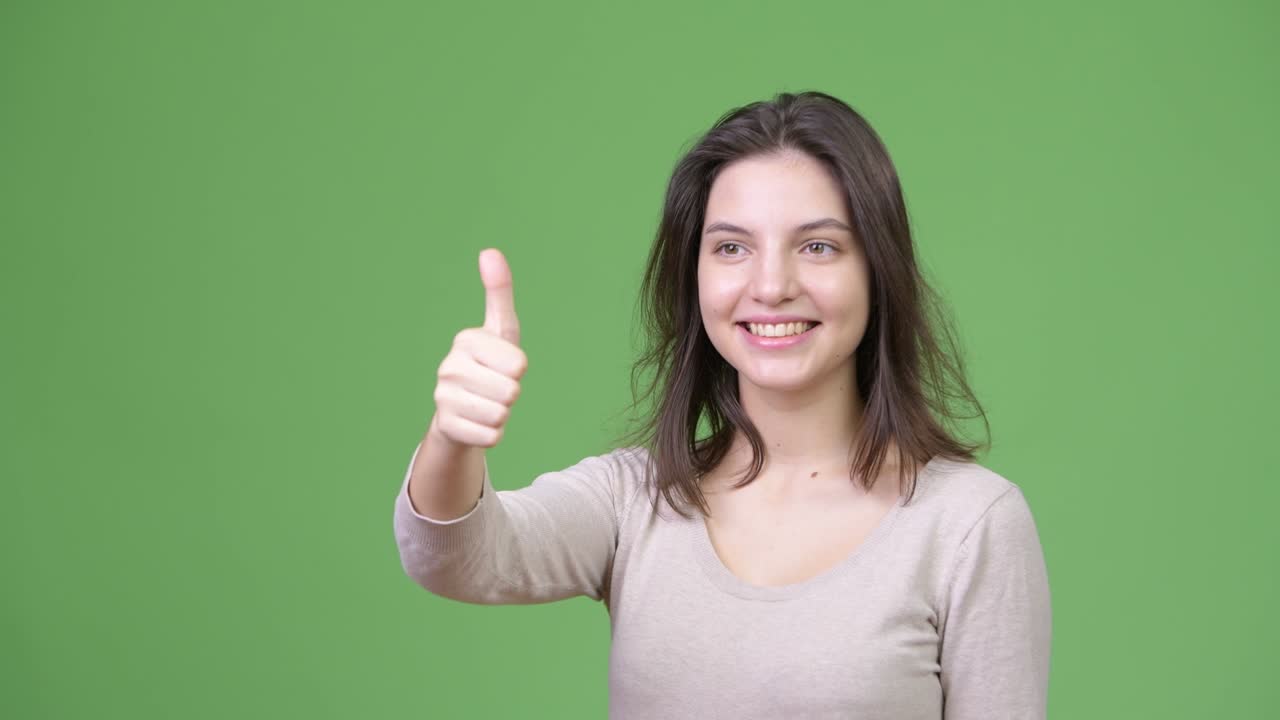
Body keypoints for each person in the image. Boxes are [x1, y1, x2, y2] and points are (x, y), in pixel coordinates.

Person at [393, 90, 1052, 719]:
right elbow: (452, 558)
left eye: (818, 246)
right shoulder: (633, 502)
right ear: (696, 275)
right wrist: (452, 437)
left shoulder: (968, 525)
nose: (771, 286)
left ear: (876, 270)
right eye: (732, 247)